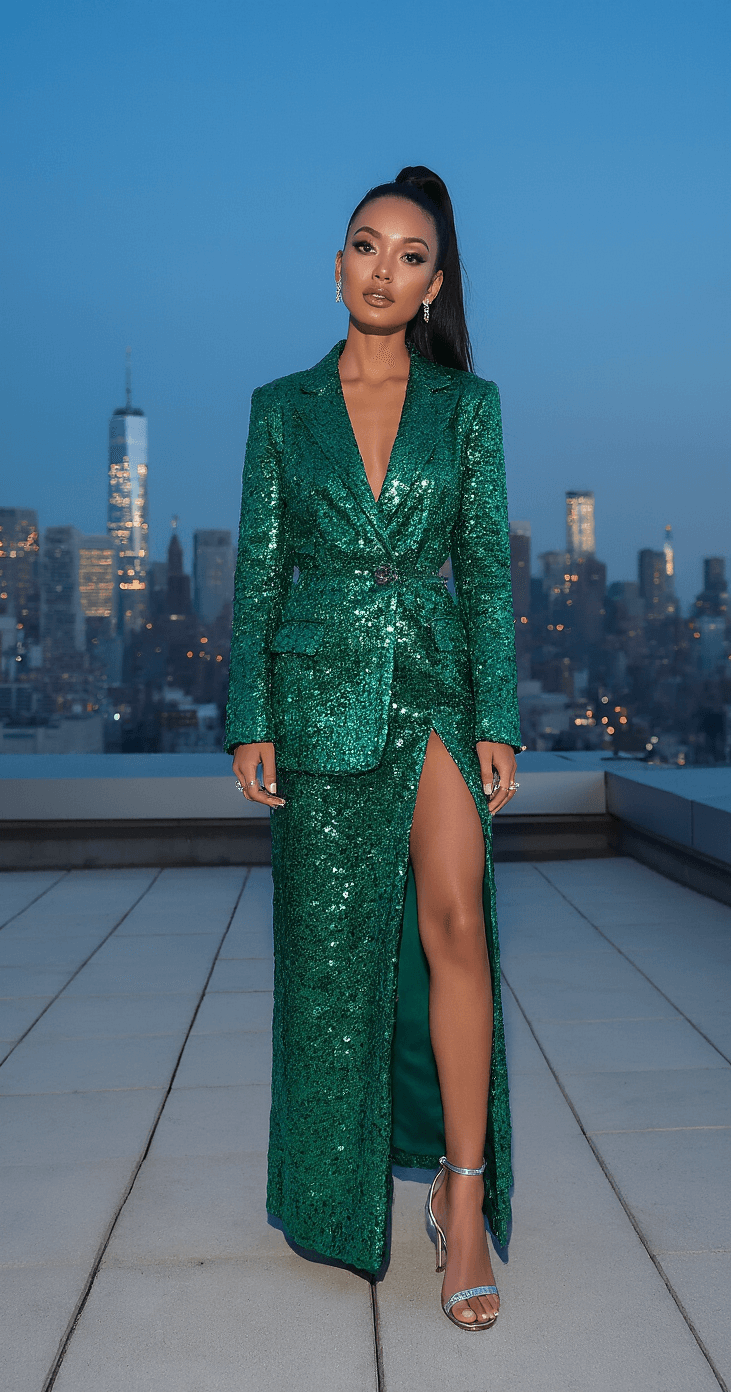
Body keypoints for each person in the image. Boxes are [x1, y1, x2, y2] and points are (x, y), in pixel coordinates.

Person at [226, 166, 521, 1331]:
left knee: (456, 926)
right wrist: (250, 714)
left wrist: (496, 714)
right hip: (316, 696)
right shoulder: (280, 407)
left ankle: (462, 1192)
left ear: (434, 283)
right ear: (338, 263)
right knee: (327, 962)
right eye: (365, 245)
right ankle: (334, 1197)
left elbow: (484, 571)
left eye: (409, 254)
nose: (383, 269)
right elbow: (259, 570)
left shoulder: (468, 406)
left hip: (437, 686)